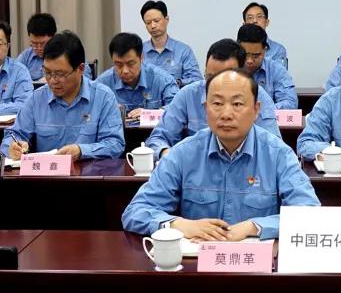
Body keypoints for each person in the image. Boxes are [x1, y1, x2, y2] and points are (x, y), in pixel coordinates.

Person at [122, 69, 320, 240]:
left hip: (257, 265)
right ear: (205, 109)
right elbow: (135, 212)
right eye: (217, 104)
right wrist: (179, 225)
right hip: (198, 264)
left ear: (256, 110)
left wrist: (254, 227)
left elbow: (310, 213)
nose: (226, 114)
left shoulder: (278, 155)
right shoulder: (183, 153)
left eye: (237, 104)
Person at [146, 39, 282, 159]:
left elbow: (274, 148)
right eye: (210, 77)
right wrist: (167, 154)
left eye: (225, 78)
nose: (215, 85)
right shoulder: (188, 94)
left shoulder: (257, 95)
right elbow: (157, 139)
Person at [0, 31, 124, 160]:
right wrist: (13, 147)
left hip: (90, 171)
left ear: (80, 69)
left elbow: (115, 144)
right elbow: (13, 135)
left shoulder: (103, 97)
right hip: (47, 172)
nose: (53, 80)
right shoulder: (37, 98)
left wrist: (81, 151)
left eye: (60, 74)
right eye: (47, 72)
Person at [98, 32, 179, 120]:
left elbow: (177, 108)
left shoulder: (162, 79)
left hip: (154, 129)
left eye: (130, 63)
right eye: (118, 64)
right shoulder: (103, 83)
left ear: (141, 58)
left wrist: (150, 114)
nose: (125, 71)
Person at [141, 0, 202, 87]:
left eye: (156, 21)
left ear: (166, 19)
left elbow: (197, 80)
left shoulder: (183, 51)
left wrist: (176, 83)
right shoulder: (139, 51)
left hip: (176, 94)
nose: (153, 26)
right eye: (148, 23)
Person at [236, 24, 297, 110]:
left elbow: (290, 103)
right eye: (245, 55)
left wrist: (263, 110)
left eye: (255, 56)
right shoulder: (229, 67)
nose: (249, 61)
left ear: (264, 50)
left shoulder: (277, 70)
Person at [16, 13, 91, 81]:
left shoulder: (71, 51)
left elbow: (85, 78)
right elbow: (13, 78)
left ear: (54, 37)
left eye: (43, 44)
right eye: (34, 44)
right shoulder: (26, 56)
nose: (38, 48)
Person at [242, 2, 288, 68]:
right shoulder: (237, 49)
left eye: (259, 16)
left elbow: (279, 73)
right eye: (250, 17)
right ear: (244, 24)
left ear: (267, 22)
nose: (255, 20)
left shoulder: (278, 50)